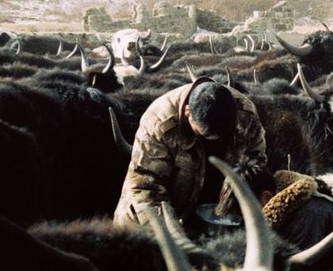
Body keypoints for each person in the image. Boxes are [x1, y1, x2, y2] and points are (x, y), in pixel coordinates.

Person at [113, 77, 267, 229]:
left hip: (217, 218)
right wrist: (173, 233)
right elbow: (145, 188)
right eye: (204, 135)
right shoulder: (159, 122)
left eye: (220, 136)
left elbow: (255, 166)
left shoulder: (246, 114)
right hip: (152, 219)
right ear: (188, 112)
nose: (213, 141)